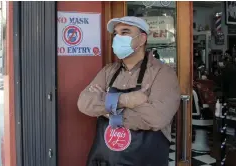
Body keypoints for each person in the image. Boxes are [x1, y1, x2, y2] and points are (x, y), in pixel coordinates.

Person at [77, 16, 181, 166]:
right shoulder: (108, 72)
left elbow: (156, 118)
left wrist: (106, 109)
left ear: (142, 39)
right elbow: (84, 103)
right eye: (116, 34)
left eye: (125, 32)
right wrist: (125, 100)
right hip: (106, 161)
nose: (118, 38)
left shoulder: (163, 73)